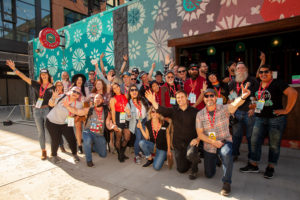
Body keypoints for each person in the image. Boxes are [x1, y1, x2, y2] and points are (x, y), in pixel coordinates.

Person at [240, 64, 298, 179]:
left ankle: (270, 167)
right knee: (254, 141)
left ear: (271, 73)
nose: (263, 74)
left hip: (276, 119)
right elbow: (259, 100)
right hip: (259, 117)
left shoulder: (278, 83)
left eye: (266, 72)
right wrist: (253, 108)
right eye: (261, 72)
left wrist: (287, 110)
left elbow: (293, 93)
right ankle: (253, 165)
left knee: (274, 145)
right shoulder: (258, 85)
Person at [193, 85, 251, 196]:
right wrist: (213, 142)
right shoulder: (200, 114)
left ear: (216, 98)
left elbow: (235, 104)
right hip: (209, 144)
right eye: (206, 96)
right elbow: (200, 134)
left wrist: (243, 97)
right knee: (209, 174)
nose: (209, 98)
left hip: (224, 140)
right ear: (203, 98)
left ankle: (226, 183)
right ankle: (216, 158)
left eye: (211, 95)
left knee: (226, 153)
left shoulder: (224, 108)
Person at [145, 90, 201, 180]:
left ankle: (194, 168)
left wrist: (198, 139)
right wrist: (153, 101)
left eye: (182, 97)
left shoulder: (195, 112)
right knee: (181, 170)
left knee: (191, 154)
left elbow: (201, 127)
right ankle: (191, 160)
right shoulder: (173, 110)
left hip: (191, 143)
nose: (180, 99)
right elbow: (162, 110)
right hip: (178, 144)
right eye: (178, 97)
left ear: (187, 98)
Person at [6, 60, 55, 160]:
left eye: (45, 74)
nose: (44, 76)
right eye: (42, 74)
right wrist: (14, 69)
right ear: (40, 76)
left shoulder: (53, 87)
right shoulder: (36, 84)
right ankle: (43, 151)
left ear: (48, 75)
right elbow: (23, 77)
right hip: (37, 110)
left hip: (47, 110)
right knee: (40, 132)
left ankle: (53, 150)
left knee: (50, 131)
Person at [64, 94, 116, 167]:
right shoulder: (89, 109)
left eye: (99, 98)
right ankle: (89, 160)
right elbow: (78, 111)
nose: (97, 100)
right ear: (93, 100)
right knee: (87, 140)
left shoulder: (106, 111)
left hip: (99, 134)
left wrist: (111, 127)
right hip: (89, 131)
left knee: (103, 154)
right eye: (96, 98)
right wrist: (67, 106)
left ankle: (93, 146)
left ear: (103, 100)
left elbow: (107, 124)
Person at [228, 62, 259, 161]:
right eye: (238, 68)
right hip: (237, 112)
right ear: (236, 71)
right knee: (236, 135)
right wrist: (232, 110)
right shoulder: (232, 82)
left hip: (249, 113)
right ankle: (234, 154)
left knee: (251, 136)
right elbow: (232, 97)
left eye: (242, 68)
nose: (240, 70)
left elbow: (257, 96)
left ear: (246, 70)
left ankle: (252, 157)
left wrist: (254, 109)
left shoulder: (253, 81)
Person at [47, 86, 83, 163]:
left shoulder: (79, 104)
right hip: (52, 122)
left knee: (72, 139)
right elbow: (51, 104)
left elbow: (78, 113)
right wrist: (53, 97)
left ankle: (74, 154)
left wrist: (73, 113)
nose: (75, 93)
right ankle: (54, 155)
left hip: (66, 123)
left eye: (77, 93)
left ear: (79, 95)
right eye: (74, 91)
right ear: (70, 91)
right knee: (55, 139)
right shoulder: (61, 97)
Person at [125, 85, 148, 164]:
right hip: (136, 122)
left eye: (135, 90)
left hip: (144, 120)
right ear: (130, 92)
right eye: (132, 90)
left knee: (144, 137)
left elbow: (147, 109)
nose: (134, 91)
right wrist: (128, 114)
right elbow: (127, 118)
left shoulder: (142, 99)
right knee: (138, 138)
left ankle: (143, 152)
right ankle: (137, 155)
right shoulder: (129, 104)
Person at [109, 83, 130, 162]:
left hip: (126, 117)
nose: (116, 89)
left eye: (117, 87)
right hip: (118, 118)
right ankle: (120, 154)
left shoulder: (125, 95)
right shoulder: (113, 99)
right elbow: (113, 112)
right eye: (114, 88)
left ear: (119, 87)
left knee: (127, 137)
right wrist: (114, 124)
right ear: (113, 90)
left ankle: (122, 152)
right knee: (118, 137)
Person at [71, 74, 89, 154]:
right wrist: (76, 113)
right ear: (75, 81)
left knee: (86, 129)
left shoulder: (85, 89)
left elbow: (87, 100)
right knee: (78, 128)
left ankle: (87, 145)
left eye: (81, 80)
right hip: (75, 112)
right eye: (78, 79)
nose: (79, 81)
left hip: (84, 112)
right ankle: (79, 146)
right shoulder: (72, 89)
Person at [53, 81, 66, 152]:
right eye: (57, 85)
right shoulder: (53, 95)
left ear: (63, 86)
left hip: (65, 116)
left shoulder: (66, 95)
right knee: (58, 133)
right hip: (56, 116)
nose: (59, 87)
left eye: (60, 85)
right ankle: (61, 145)